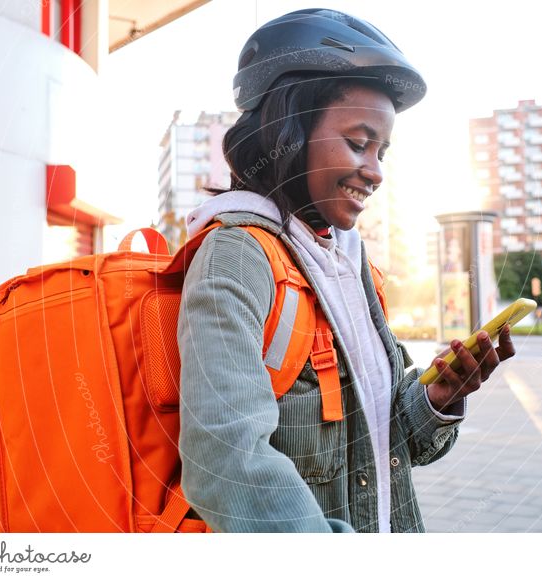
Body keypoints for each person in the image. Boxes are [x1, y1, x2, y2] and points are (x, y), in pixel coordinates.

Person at [177, 8, 515, 533]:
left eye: (383, 151)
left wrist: (438, 398)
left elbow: (381, 443)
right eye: (359, 143)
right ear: (287, 133)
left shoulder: (350, 263)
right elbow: (225, 466)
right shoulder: (238, 256)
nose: (376, 171)